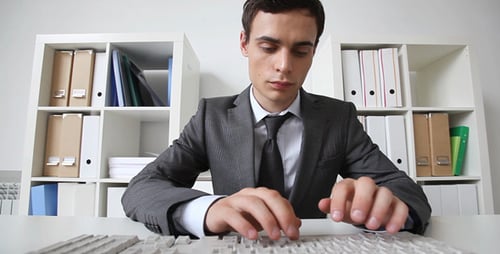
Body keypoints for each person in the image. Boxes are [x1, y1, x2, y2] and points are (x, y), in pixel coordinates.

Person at [122, 0, 431, 241]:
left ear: (313, 52)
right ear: (244, 43)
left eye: (301, 51)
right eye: (268, 47)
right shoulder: (211, 117)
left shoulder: (338, 119)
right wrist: (208, 209)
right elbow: (143, 188)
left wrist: (382, 206)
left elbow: (407, 191)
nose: (284, 66)